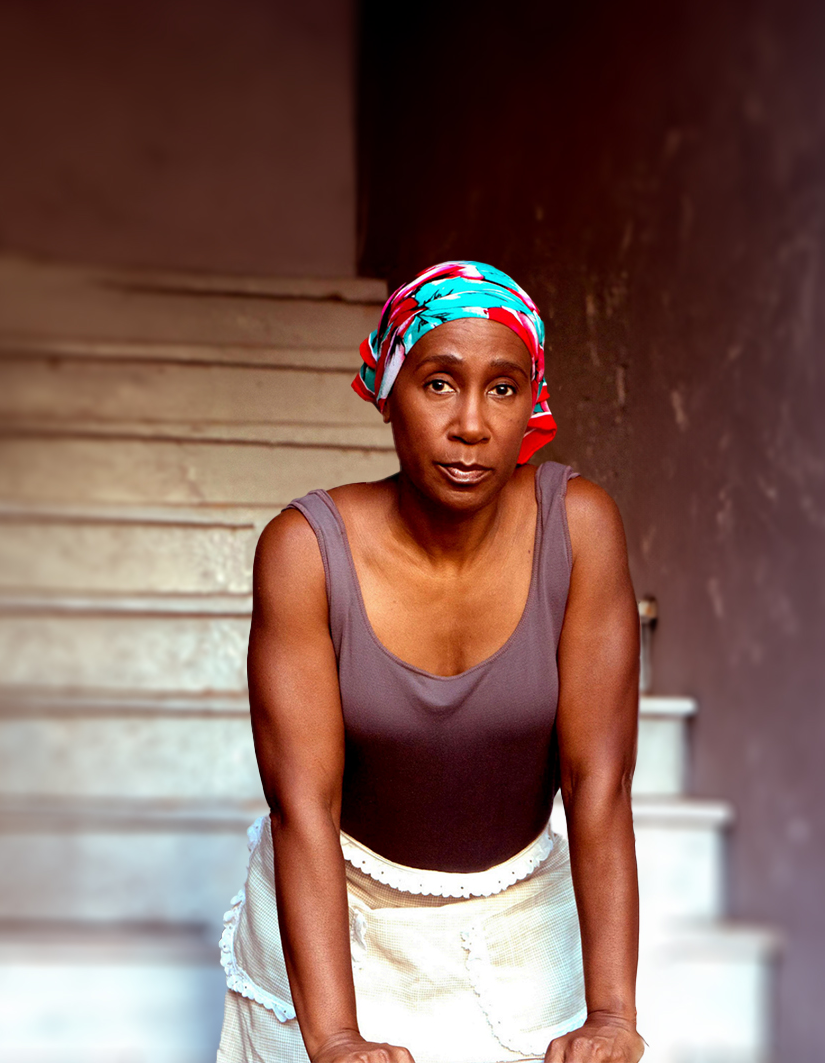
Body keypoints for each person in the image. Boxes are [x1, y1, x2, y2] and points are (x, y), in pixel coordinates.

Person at [218, 262, 644, 1063]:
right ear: (388, 388)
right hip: (335, 921)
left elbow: (600, 783)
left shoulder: (578, 528)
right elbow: (302, 806)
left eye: (504, 388)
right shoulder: (307, 551)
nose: (473, 426)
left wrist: (612, 1013)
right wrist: (337, 1039)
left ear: (534, 402)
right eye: (439, 383)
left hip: (521, 918)